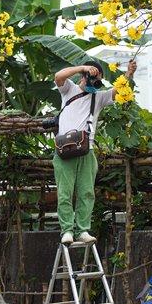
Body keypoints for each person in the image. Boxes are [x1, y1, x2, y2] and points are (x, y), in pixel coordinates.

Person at [54, 60, 137, 245]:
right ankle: (66, 230)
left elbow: (118, 91)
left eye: (99, 80)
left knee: (86, 192)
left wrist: (129, 74)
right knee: (65, 192)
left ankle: (82, 229)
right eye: (94, 78)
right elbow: (59, 76)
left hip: (86, 150)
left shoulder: (98, 97)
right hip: (64, 150)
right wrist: (82, 68)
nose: (95, 84)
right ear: (84, 77)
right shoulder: (69, 90)